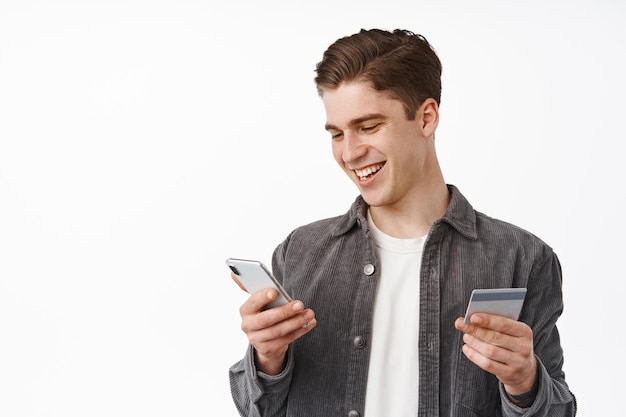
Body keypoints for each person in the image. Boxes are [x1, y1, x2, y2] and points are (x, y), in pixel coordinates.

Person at [228, 28, 577, 417]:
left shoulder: (522, 257)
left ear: (426, 118)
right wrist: (267, 360)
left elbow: (558, 410)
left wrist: (524, 382)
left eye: (369, 126)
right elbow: (255, 408)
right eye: (337, 133)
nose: (350, 152)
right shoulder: (300, 252)